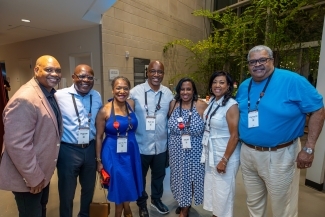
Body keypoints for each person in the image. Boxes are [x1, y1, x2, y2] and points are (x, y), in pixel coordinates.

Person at [236, 45, 325, 217]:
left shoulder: (292, 80)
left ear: (272, 60)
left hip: (280, 154)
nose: (257, 65)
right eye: (252, 61)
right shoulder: (244, 85)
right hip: (247, 152)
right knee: (253, 202)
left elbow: (318, 110)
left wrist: (309, 147)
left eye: (262, 60)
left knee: (282, 206)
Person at [0, 55, 62, 217]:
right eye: (49, 70)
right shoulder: (25, 98)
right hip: (29, 177)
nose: (54, 74)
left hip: (42, 172)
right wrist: (33, 177)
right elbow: (18, 145)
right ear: (36, 70)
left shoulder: (48, 93)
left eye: (57, 70)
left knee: (40, 211)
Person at [55, 64, 102, 217]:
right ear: (73, 77)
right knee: (67, 192)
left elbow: (98, 123)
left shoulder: (96, 96)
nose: (85, 80)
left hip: (89, 148)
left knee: (88, 189)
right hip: (68, 150)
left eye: (89, 77)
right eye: (81, 76)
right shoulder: (59, 96)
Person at [130, 60, 174, 217]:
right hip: (141, 145)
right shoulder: (135, 92)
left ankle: (156, 200)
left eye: (160, 72)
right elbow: (125, 114)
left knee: (159, 176)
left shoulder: (168, 93)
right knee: (140, 178)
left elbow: (174, 115)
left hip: (161, 146)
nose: (156, 75)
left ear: (163, 73)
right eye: (153, 71)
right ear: (147, 72)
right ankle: (142, 204)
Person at [95, 76, 143, 217]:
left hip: (131, 151)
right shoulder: (104, 110)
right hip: (112, 153)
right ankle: (120, 213)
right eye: (118, 88)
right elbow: (98, 137)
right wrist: (98, 161)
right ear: (112, 90)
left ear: (129, 90)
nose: (122, 91)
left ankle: (127, 209)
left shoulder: (131, 105)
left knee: (128, 181)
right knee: (118, 184)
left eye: (125, 88)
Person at [201, 71, 240, 217]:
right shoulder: (212, 101)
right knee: (215, 192)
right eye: (215, 82)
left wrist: (224, 160)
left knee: (224, 194)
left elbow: (235, 136)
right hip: (212, 153)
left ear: (228, 86)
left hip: (225, 155)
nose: (217, 85)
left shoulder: (231, 105)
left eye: (222, 82)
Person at [168, 78, 208, 217]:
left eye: (189, 89)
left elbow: (210, 128)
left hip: (195, 150)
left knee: (191, 178)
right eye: (182, 89)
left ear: (193, 91)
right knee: (179, 178)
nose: (185, 92)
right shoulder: (173, 104)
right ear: (178, 90)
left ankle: (185, 209)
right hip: (176, 150)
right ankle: (183, 202)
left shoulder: (201, 105)